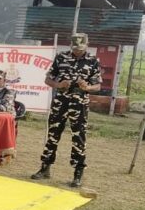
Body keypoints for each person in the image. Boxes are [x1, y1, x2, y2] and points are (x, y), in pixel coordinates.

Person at [31, 33, 101, 187]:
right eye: (75, 48)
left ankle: (78, 174)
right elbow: (48, 79)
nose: (78, 51)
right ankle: (45, 168)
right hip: (60, 103)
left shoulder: (93, 61)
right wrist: (59, 85)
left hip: (80, 104)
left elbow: (98, 85)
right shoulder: (61, 57)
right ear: (71, 45)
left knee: (79, 138)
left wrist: (87, 87)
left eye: (81, 49)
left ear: (87, 45)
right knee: (52, 136)